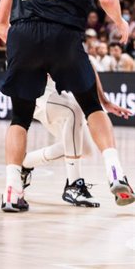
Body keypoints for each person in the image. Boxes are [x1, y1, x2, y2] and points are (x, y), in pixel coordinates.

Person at [0, 0, 134, 212]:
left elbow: (0, 21)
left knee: (20, 118)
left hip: (23, 35)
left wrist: (20, 45)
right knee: (91, 106)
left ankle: (12, 191)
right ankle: (115, 173)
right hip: (63, 35)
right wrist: (120, 21)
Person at [21, 73, 132, 207]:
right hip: (34, 89)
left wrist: (104, 101)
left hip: (56, 92)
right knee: (73, 110)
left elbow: (87, 67)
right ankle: (73, 185)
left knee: (84, 149)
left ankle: (24, 163)